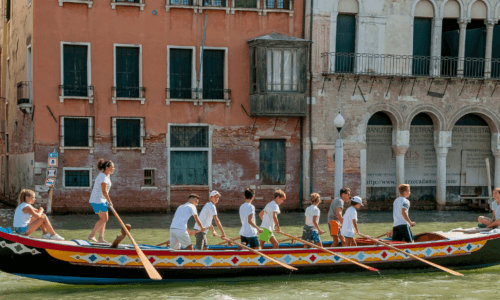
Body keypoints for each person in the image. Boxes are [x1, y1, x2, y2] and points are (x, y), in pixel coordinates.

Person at [88, 158, 115, 243]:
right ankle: (92, 235)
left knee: (104, 219)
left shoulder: (106, 175)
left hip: (101, 200)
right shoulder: (103, 177)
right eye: (112, 167)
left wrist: (107, 201)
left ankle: (100, 238)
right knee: (104, 219)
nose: (113, 169)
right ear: (107, 168)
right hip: (98, 200)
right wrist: (110, 201)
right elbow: (104, 191)